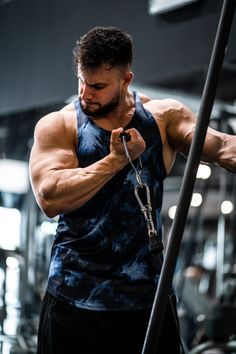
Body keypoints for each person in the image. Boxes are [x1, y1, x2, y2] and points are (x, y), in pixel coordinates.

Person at [29, 26, 236, 354]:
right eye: (82, 81)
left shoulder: (163, 117)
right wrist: (114, 161)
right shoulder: (61, 125)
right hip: (75, 300)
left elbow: (224, 148)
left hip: (148, 304)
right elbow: (50, 196)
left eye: (97, 86)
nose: (85, 94)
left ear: (126, 80)